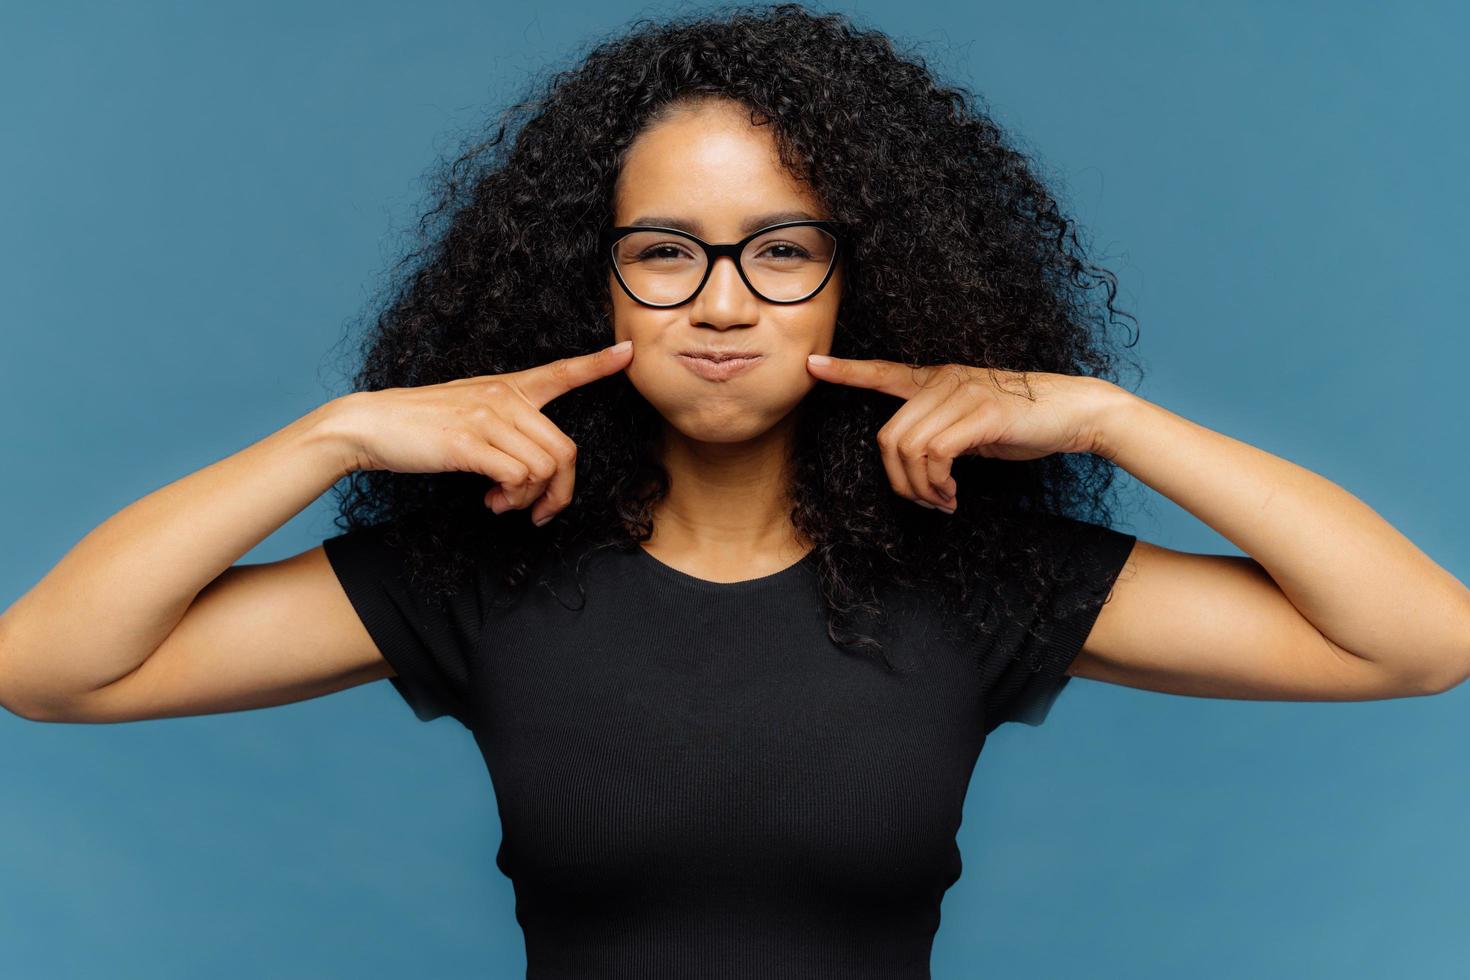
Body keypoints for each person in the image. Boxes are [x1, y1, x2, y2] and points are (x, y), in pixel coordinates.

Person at [3, 4, 1466, 977]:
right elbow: (48, 670)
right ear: (594, 284)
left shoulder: (982, 573)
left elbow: (1418, 641)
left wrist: (1112, 419)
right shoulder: (482, 572)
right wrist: (326, 440)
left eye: (781, 250)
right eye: (664, 251)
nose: (721, 304)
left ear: (856, 282)